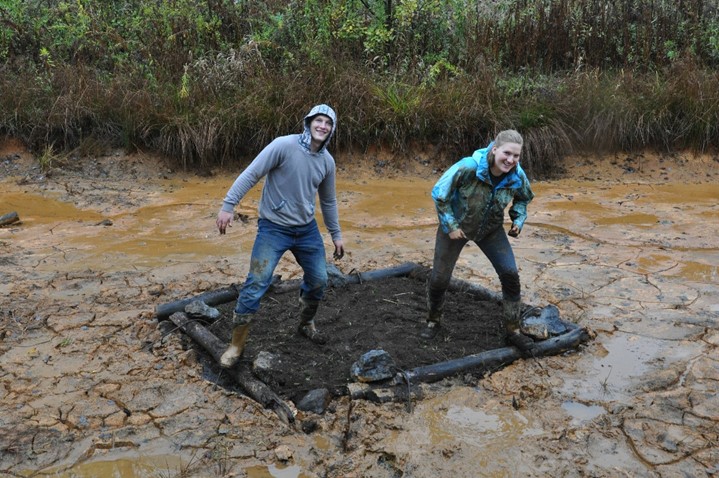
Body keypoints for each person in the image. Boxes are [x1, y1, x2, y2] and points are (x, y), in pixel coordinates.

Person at [216, 104, 345, 368]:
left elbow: (329, 201)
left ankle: (306, 323)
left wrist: (336, 234)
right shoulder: (283, 146)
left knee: (319, 279)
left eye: (328, 123)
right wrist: (229, 205)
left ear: (332, 130)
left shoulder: (327, 162)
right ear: (308, 122)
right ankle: (236, 346)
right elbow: (252, 173)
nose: (322, 126)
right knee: (256, 283)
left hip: (306, 230)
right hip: (273, 228)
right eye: (318, 121)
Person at [423, 129, 535, 352]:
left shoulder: (516, 175)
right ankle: (433, 320)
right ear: (495, 149)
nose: (510, 160)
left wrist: (517, 220)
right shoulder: (469, 167)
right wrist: (451, 226)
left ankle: (512, 329)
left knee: (510, 274)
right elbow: (439, 193)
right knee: (439, 279)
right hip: (456, 228)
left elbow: (524, 198)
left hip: (491, 230)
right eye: (507, 153)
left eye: (516, 156)